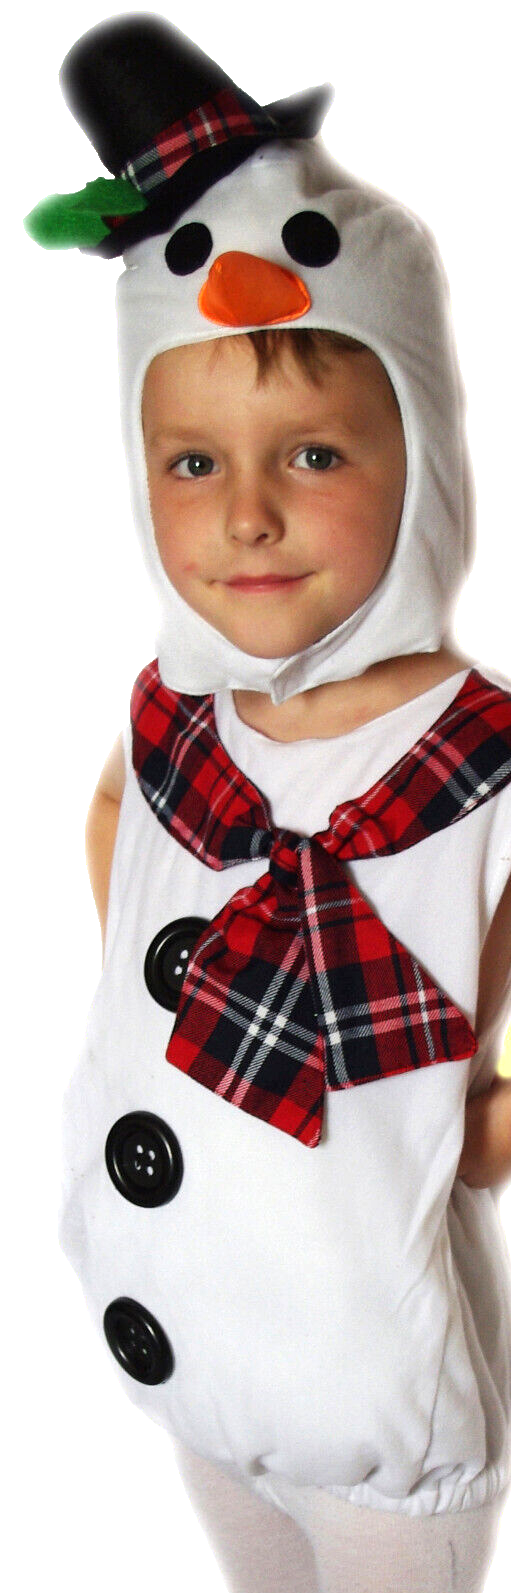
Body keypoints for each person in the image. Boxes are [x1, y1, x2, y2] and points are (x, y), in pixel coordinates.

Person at [24, 14, 511, 1592]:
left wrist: (485, 1111)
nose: (243, 516)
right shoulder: (173, 715)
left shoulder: (478, 762)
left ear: (419, 459)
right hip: (189, 1357)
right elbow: (118, 824)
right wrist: (149, 970)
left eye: (309, 454)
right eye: (190, 464)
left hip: (369, 1411)